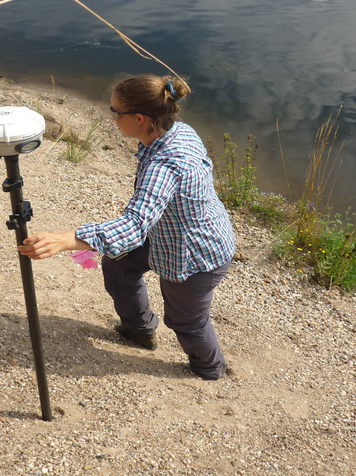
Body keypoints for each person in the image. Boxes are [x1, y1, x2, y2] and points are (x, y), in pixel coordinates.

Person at [16, 74, 236, 380]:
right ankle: (140, 331)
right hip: (165, 232)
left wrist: (69, 239)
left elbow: (133, 225)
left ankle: (210, 368)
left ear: (139, 118)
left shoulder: (165, 165)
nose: (113, 119)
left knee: (186, 321)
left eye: (115, 113)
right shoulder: (177, 131)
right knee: (119, 266)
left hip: (195, 254)